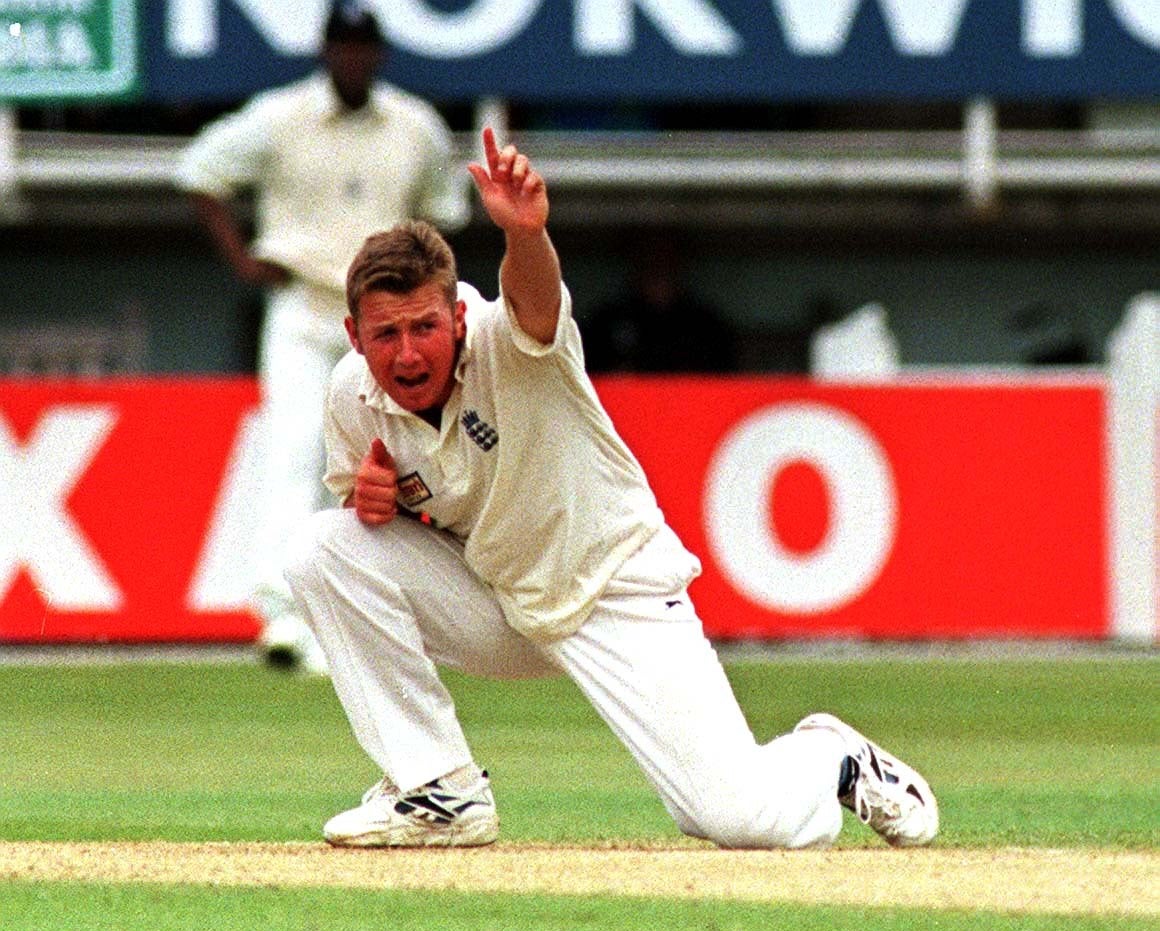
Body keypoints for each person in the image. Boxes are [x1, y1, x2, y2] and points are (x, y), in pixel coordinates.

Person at [283, 127, 940, 850]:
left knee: (737, 818)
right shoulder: (352, 395)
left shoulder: (512, 343)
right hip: (499, 599)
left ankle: (830, 756)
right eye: (386, 335)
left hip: (610, 588)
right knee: (322, 547)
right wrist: (372, 502)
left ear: (459, 317)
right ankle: (439, 790)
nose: (407, 353)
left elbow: (533, 301)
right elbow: (371, 518)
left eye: (425, 327)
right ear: (353, 335)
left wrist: (527, 235)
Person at [176, 1, 469, 674]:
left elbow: (445, 213)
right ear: (326, 50)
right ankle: (281, 614)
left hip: (385, 325)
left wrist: (426, 301)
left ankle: (378, 615)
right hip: (305, 310)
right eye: (344, 46)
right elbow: (200, 172)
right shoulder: (281, 117)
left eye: (364, 48)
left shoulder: (414, 127)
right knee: (296, 451)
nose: (354, 59)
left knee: (397, 462)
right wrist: (245, 260)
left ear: (379, 54)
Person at [584, 233, 738, 373]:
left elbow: (726, 380)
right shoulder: (606, 323)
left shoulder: (706, 325)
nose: (658, 264)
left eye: (666, 257)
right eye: (649, 256)